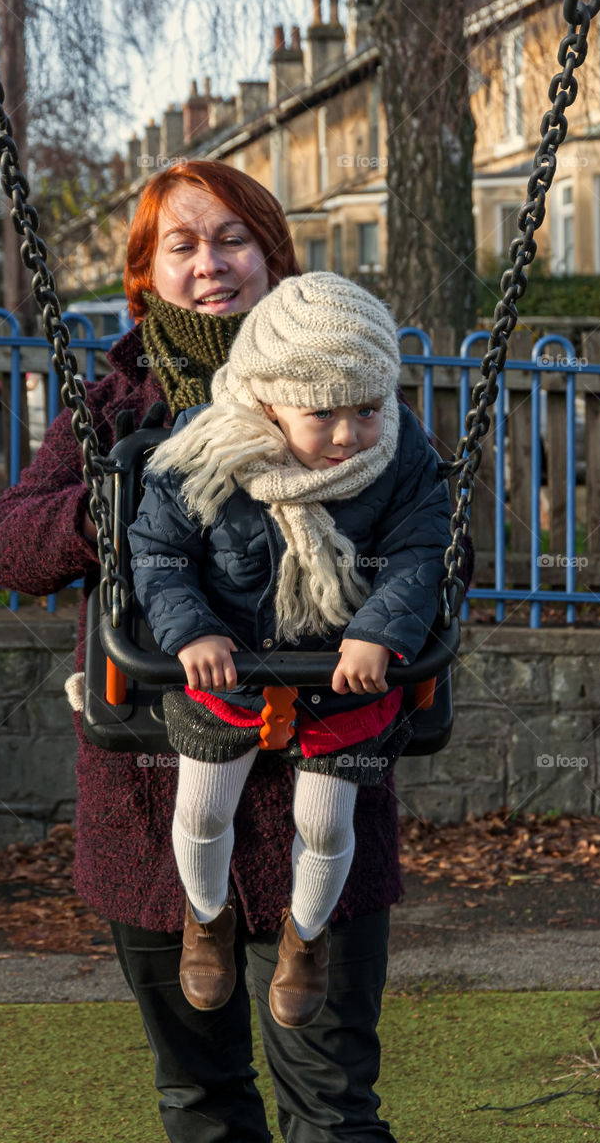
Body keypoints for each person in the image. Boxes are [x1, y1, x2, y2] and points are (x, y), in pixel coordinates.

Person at [0, 159, 450, 1142]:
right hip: (155, 785)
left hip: (326, 768)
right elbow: (10, 549)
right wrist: (108, 506)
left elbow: (424, 538)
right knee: (200, 1097)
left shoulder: (354, 378)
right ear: (144, 271)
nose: (210, 264)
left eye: (232, 238)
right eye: (180, 244)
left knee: (331, 1099)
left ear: (272, 255)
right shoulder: (111, 403)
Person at [128, 273, 451, 1033]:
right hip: (227, 673)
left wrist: (379, 633)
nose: (347, 436)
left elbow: (416, 554)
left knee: (325, 822)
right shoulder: (205, 450)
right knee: (203, 809)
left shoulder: (401, 457)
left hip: (342, 682)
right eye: (322, 414)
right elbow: (157, 553)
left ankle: (306, 936)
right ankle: (206, 917)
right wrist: (192, 633)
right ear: (266, 401)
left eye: (366, 409)